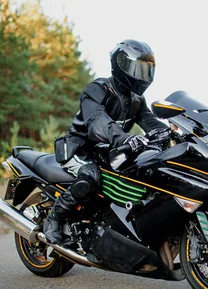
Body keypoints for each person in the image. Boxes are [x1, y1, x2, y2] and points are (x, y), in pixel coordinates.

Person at [43, 39, 168, 244]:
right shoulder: (98, 89)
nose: (143, 76)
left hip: (108, 151)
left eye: (146, 70)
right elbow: (97, 122)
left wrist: (177, 136)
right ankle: (54, 218)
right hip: (79, 149)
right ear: (121, 64)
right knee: (90, 178)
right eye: (138, 69)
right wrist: (125, 137)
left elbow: (151, 123)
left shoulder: (136, 100)